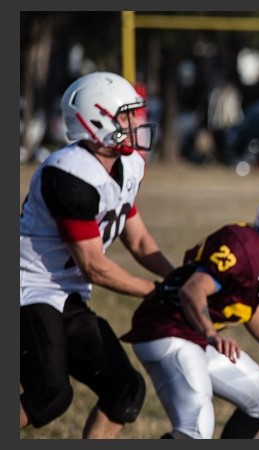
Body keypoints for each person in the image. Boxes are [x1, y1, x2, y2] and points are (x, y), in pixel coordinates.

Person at [20, 71, 173, 438]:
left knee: (124, 390)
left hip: (66, 294)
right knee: (49, 396)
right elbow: (94, 267)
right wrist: (156, 292)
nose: (134, 123)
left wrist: (175, 278)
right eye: (125, 115)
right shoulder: (68, 174)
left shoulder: (130, 164)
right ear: (96, 120)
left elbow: (136, 238)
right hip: (28, 289)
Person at [120, 187, 259, 439]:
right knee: (196, 428)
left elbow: (248, 307)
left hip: (199, 336)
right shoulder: (242, 248)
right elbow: (192, 291)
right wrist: (212, 334)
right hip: (168, 330)